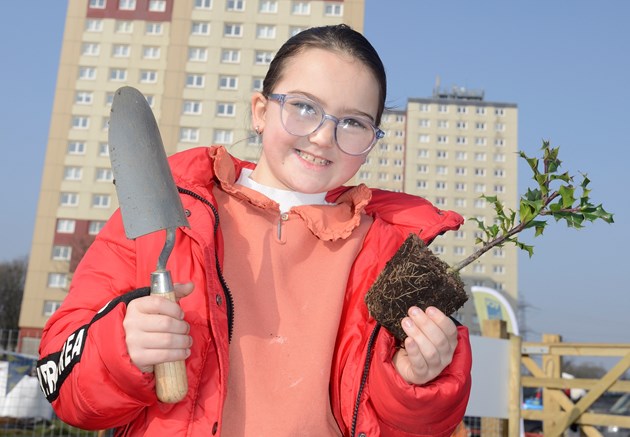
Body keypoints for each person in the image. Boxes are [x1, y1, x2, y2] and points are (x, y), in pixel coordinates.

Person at [37, 24, 472, 436]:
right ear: (260, 111)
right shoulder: (173, 213)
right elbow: (62, 380)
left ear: (372, 139)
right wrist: (122, 347)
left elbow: (406, 424)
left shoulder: (389, 250)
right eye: (304, 107)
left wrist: (415, 381)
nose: (323, 136)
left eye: (353, 122)